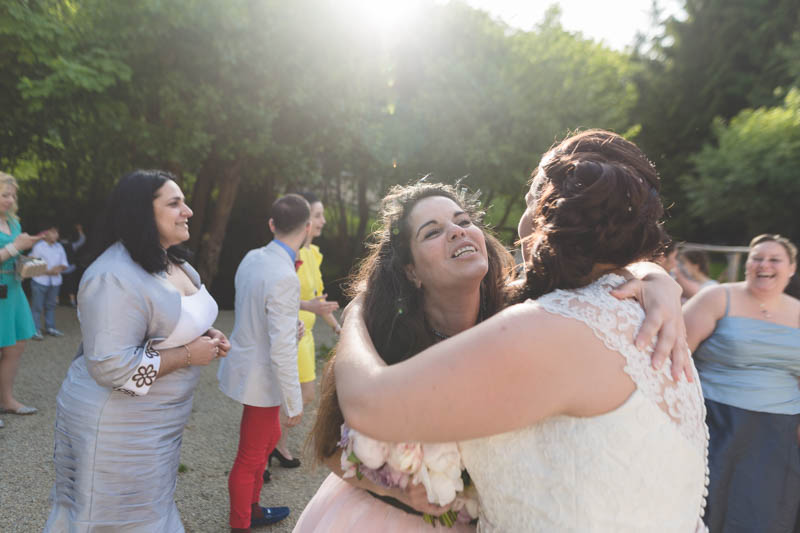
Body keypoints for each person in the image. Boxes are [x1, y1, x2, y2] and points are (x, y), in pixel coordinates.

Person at [334, 130, 708, 531]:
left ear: (547, 213)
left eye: (529, 202)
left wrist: (354, 313)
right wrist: (652, 274)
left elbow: (367, 405)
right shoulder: (633, 310)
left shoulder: (550, 327)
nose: (518, 226)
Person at [44, 170, 230, 532]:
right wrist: (191, 355)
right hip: (115, 429)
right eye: (174, 203)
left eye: (184, 201)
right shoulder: (112, 276)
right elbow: (112, 370)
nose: (188, 211)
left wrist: (207, 334)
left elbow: (176, 317)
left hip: (157, 426)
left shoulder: (173, 260)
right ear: (141, 212)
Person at [684, 233, 800, 532]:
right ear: (747, 264)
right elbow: (675, 352)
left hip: (779, 428)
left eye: (775, 259)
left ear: (791, 268)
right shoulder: (716, 297)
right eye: (757, 258)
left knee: (764, 510)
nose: (765, 265)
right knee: (707, 506)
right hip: (716, 419)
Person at [217, 194, 312, 533]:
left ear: (272, 224)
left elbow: (251, 311)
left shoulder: (252, 258)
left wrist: (291, 328)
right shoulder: (285, 276)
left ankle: (253, 508)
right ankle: (241, 523)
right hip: (262, 377)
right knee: (249, 457)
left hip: (247, 365)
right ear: (308, 227)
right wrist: (294, 400)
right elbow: (281, 350)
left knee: (266, 440)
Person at [271, 191, 340, 470]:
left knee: (302, 396)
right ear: (304, 221)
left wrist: (338, 328)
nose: (322, 220)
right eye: (317, 215)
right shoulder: (288, 254)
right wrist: (308, 307)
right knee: (295, 395)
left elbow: (318, 299)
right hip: (291, 333)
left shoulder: (312, 254)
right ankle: (268, 447)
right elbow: (277, 294)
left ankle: (276, 444)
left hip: (307, 337)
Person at [0, 171, 43, 426]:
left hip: (13, 288)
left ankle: (6, 399)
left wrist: (26, 262)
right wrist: (16, 247)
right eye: (5, 194)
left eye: (13, 195)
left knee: (16, 346)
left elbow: (13, 254)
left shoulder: (13, 222)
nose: (10, 199)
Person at [29, 223, 69, 339]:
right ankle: (35, 330)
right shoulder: (39, 247)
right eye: (53, 232)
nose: (56, 235)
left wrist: (59, 268)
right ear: (45, 234)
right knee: (37, 306)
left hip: (55, 281)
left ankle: (50, 327)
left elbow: (64, 263)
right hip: (40, 280)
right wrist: (48, 271)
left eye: (57, 232)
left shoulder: (59, 247)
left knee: (51, 305)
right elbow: (33, 263)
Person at [59, 223, 87, 308]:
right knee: (71, 285)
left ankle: (55, 301)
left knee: (58, 285)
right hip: (70, 268)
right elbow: (82, 240)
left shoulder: (57, 246)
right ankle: (72, 301)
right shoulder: (72, 245)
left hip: (58, 269)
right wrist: (80, 230)